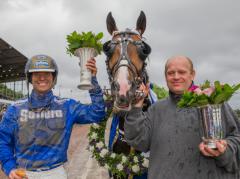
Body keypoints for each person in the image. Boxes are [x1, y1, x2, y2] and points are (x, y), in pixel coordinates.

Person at [124, 56, 240, 179]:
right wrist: (136, 107)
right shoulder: (156, 109)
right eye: (170, 73)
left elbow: (237, 138)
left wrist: (224, 151)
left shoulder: (213, 103)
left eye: (182, 72)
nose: (176, 77)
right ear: (165, 76)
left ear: (192, 74)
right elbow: (139, 142)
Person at [0, 54, 105, 179]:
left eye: (47, 73)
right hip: (23, 173)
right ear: (30, 77)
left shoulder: (67, 106)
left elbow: (97, 113)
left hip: (55, 173)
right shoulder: (15, 109)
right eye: (36, 73)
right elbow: (3, 141)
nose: (42, 77)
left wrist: (91, 79)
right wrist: (9, 167)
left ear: (53, 77)